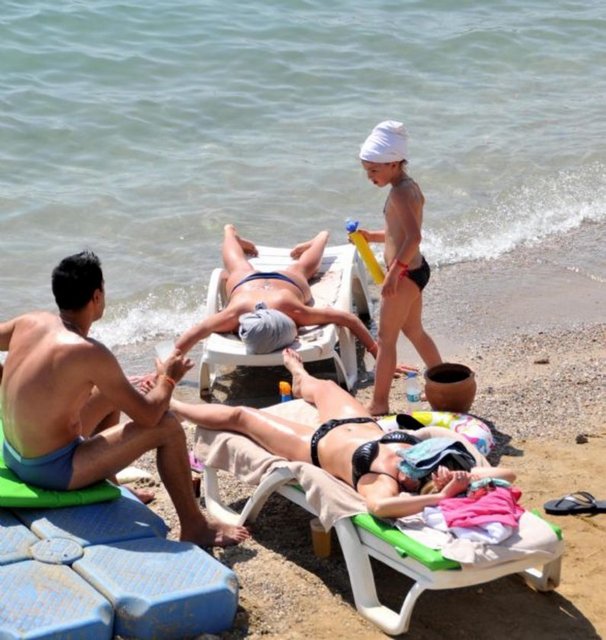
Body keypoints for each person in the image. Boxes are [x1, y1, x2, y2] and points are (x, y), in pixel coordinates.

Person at [0, 250, 249, 547]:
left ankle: (110, 485)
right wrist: (168, 379)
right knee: (168, 427)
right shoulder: (87, 351)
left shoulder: (30, 321)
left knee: (113, 393)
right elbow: (149, 416)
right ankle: (195, 526)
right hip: (50, 470)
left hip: (13, 453)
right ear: (96, 296)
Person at [170, 349, 515, 519]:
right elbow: (508, 474)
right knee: (323, 387)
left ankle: (173, 405)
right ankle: (300, 375)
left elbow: (379, 507)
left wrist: (441, 497)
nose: (443, 473)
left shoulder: (387, 482)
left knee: (241, 415)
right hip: (359, 422)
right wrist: (463, 478)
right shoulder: (431, 464)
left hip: (314, 443)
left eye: (439, 480)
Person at [175, 224, 412, 374]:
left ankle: (319, 237)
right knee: (250, 265)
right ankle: (231, 233)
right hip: (256, 283)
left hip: (260, 285)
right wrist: (378, 355)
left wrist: (380, 357)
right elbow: (347, 318)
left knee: (299, 268)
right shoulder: (241, 314)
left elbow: (348, 319)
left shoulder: (284, 312)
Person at [356, 120, 443, 415]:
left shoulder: (400, 193)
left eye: (374, 170)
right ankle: (443, 383)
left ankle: (379, 403)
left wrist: (394, 273)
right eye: (367, 170)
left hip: (405, 274)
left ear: (393, 162)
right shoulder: (408, 186)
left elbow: (414, 237)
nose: (369, 176)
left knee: (385, 339)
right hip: (415, 270)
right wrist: (371, 237)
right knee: (415, 330)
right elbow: (400, 233)